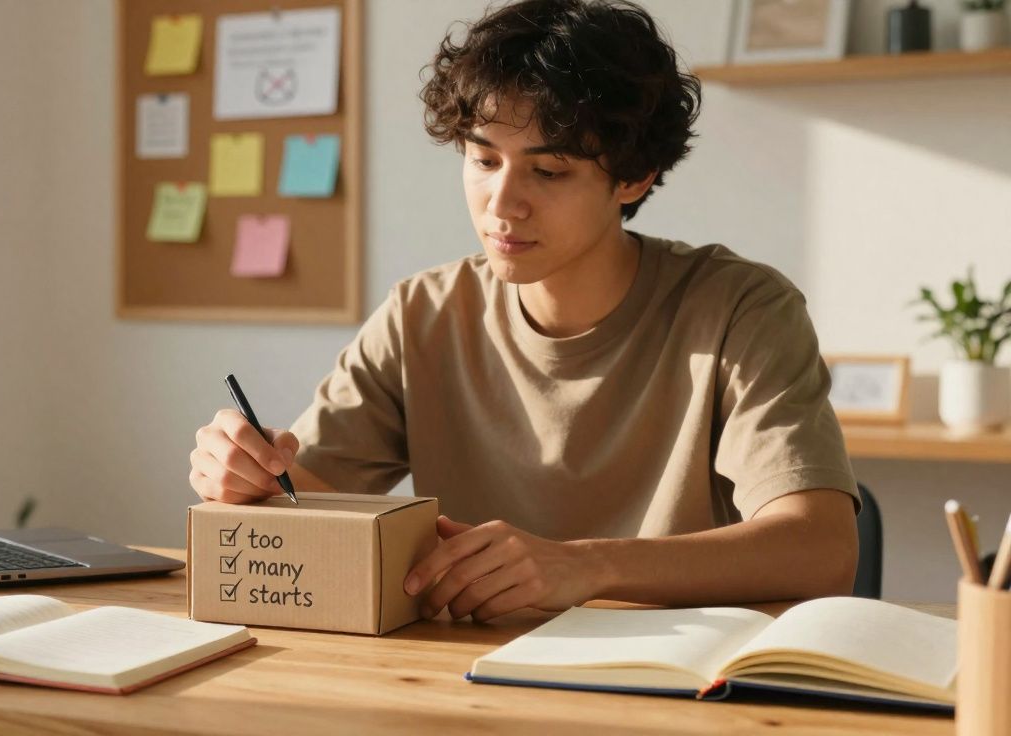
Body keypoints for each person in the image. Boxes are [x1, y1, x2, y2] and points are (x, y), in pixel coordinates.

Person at [189, 0, 859, 622]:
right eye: (484, 159)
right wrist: (245, 480)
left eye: (549, 172)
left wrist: (582, 566)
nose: (501, 204)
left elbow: (822, 549)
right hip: (471, 678)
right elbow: (300, 503)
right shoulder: (422, 314)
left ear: (633, 177)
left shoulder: (739, 308)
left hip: (669, 682)